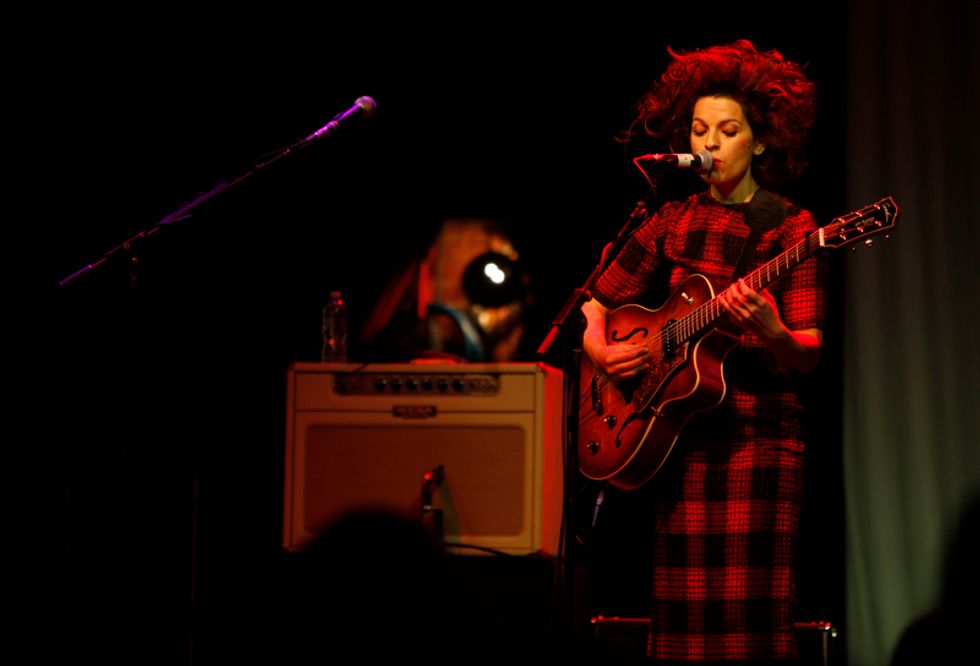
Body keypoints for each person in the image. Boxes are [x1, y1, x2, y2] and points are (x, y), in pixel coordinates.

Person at [581, 40, 826, 663]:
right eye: (699, 130)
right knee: (681, 625)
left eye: (727, 131)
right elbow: (595, 303)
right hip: (680, 438)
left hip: (759, 438)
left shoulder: (792, 228)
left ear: (761, 142)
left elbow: (808, 353)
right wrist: (603, 355)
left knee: (751, 625)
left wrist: (773, 330)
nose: (710, 144)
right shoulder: (671, 219)